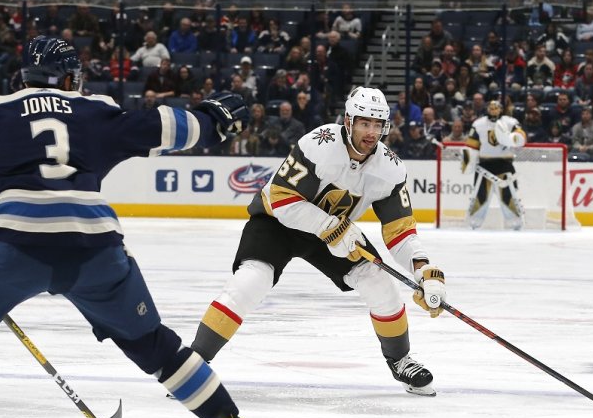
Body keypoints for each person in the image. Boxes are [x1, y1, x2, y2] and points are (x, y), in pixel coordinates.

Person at [0, 36, 273, 418]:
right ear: (67, 78)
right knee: (155, 346)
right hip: (96, 249)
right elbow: (161, 126)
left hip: (16, 245)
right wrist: (213, 119)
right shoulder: (94, 109)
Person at [188, 86, 448, 397]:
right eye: (365, 123)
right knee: (250, 282)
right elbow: (279, 198)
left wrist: (423, 269)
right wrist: (329, 226)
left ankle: (400, 359)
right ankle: (192, 365)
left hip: (333, 233)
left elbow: (401, 230)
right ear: (348, 122)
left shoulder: (390, 169)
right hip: (277, 224)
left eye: (378, 125)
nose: (372, 133)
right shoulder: (319, 143)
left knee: (379, 282)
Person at [464, 100, 528, 230]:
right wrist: (468, 161)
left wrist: (514, 138)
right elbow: (472, 145)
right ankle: (474, 223)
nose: (493, 110)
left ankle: (516, 223)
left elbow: (521, 137)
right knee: (480, 196)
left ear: (501, 109)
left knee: (508, 196)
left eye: (496, 108)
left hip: (504, 165)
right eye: (491, 108)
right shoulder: (479, 124)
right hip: (484, 166)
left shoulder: (510, 122)